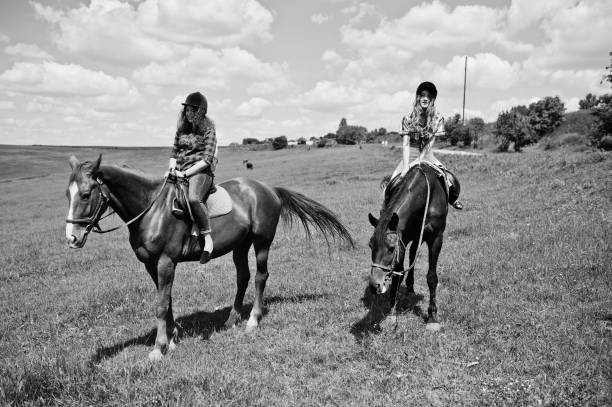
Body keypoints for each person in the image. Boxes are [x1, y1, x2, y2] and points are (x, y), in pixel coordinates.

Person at [390, 81, 463, 210]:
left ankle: (452, 198)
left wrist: (419, 160)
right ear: (418, 97)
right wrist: (407, 166)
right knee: (391, 185)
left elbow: (430, 144)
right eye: (422, 95)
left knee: (447, 178)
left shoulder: (437, 118)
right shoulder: (407, 118)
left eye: (428, 96)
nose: (425, 98)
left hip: (427, 154)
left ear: (432, 99)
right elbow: (406, 144)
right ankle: (385, 214)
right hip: (410, 153)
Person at [168, 91, 218, 263]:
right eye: (186, 110)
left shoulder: (209, 131)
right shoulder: (181, 131)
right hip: (180, 171)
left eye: (192, 110)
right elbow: (174, 153)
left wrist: (186, 174)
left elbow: (207, 160)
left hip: (201, 173)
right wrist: (171, 169)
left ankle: (207, 239)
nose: (188, 113)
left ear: (200, 112)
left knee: (194, 199)